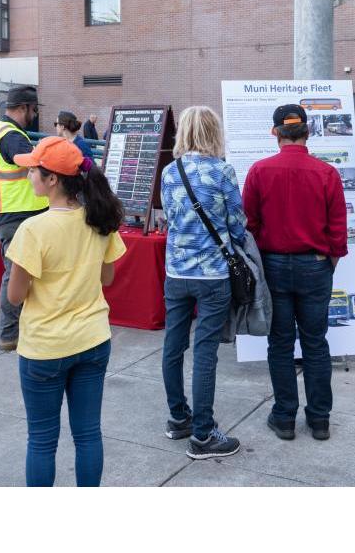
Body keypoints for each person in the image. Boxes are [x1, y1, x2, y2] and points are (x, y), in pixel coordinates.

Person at [5, 137, 126, 486]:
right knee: (88, 434)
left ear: (53, 179)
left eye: (33, 170)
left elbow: (15, 297)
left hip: (45, 347)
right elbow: (107, 276)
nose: (29, 175)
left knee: (42, 440)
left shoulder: (33, 229)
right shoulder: (98, 219)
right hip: (92, 339)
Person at [242, 104, 347, 442]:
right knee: (315, 343)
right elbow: (338, 229)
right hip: (315, 265)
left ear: (275, 133)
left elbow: (250, 224)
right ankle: (319, 420)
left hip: (274, 265)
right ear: (308, 132)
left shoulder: (259, 171)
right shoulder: (326, 173)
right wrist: (328, 261)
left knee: (281, 343)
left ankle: (285, 417)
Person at [159, 106, 246, 459]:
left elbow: (169, 215)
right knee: (205, 352)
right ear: (214, 132)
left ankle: (179, 417)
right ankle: (204, 434)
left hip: (176, 272)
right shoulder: (222, 170)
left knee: (173, 345)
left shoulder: (169, 171)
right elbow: (237, 222)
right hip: (212, 274)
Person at [0, 86, 49, 352]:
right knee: (15, 273)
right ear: (24, 108)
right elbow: (23, 159)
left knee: (18, 272)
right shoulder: (11, 134)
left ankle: (16, 330)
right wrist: (45, 155)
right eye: (34, 110)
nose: (34, 115)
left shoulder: (6, 131)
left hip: (13, 212)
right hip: (15, 214)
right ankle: (10, 335)